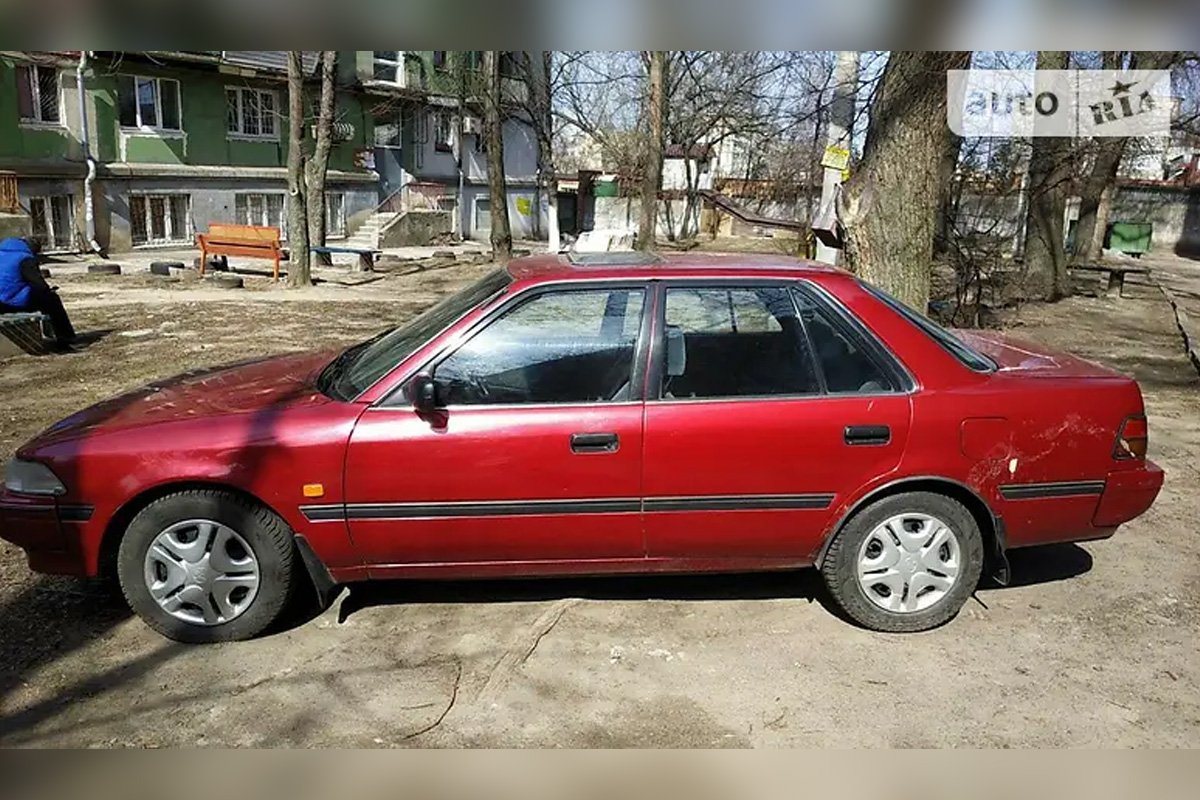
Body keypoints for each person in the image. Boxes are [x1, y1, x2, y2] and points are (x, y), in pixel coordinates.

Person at [0, 237, 76, 351]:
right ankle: (65, 337)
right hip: (12, 303)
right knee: (51, 299)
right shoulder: (25, 259)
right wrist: (48, 290)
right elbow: (39, 284)